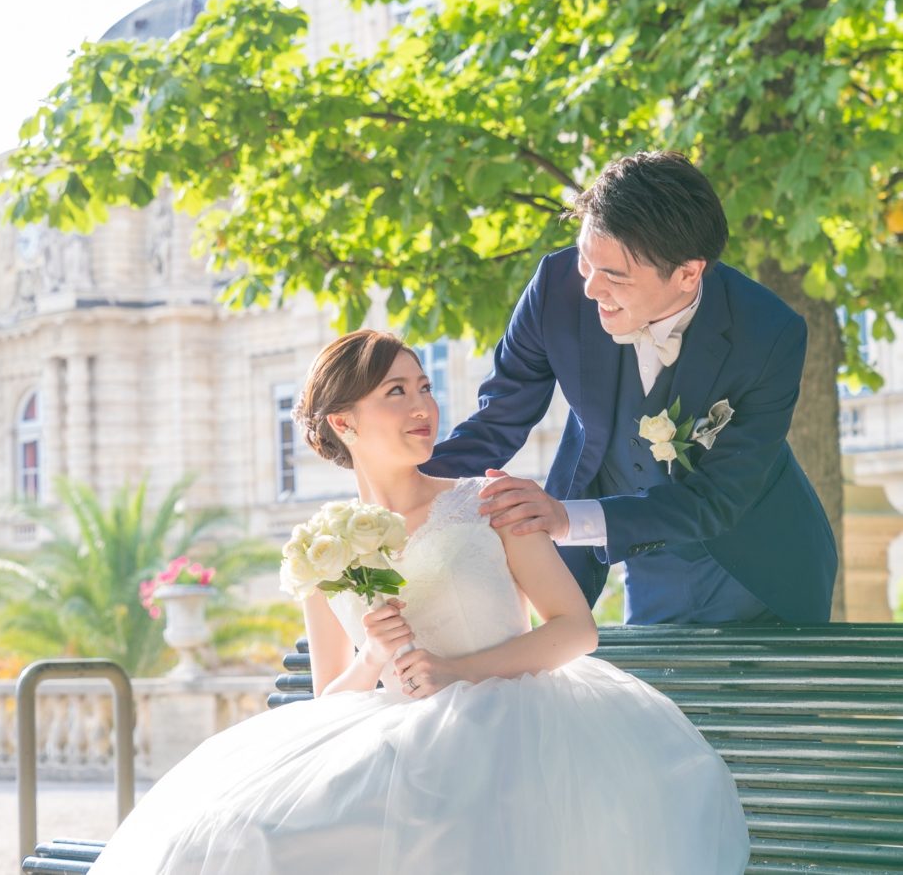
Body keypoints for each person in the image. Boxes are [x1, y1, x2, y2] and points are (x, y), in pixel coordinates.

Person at [88, 330, 748, 874]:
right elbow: (330, 696)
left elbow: (576, 629)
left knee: (444, 833)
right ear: (343, 422)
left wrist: (457, 672)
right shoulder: (322, 549)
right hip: (393, 734)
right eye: (396, 392)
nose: (422, 405)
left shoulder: (487, 499)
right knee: (235, 836)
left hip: (516, 726)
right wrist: (373, 652)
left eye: (425, 387)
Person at [424, 150, 836, 624]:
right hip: (641, 557)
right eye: (586, 263)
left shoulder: (769, 335)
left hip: (757, 563)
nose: (591, 290)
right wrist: (403, 490)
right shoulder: (554, 290)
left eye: (615, 276)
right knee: (655, 694)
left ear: (687, 272)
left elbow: (718, 498)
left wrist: (564, 518)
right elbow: (496, 420)